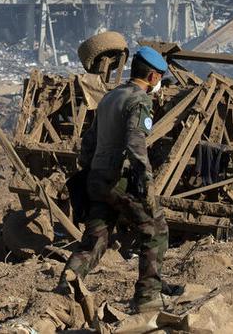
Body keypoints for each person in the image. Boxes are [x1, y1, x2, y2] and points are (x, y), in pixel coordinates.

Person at [59, 46, 171, 312]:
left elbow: (89, 142)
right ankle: (148, 297)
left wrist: (90, 171)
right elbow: (136, 141)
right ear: (153, 77)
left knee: (95, 240)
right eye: (160, 78)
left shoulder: (110, 97)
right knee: (156, 230)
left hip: (96, 178)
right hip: (118, 179)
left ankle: (66, 286)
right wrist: (145, 181)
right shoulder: (139, 100)